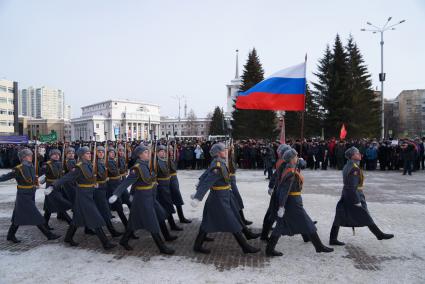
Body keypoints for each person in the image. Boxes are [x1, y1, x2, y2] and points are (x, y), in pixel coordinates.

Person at [191, 143, 260, 254]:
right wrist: (198, 197)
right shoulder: (218, 165)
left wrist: (199, 182)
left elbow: (205, 173)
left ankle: (197, 245)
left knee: (215, 219)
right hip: (219, 198)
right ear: (218, 153)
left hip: (225, 195)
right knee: (231, 221)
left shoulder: (219, 162)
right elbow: (208, 182)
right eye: (223, 150)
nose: (226, 152)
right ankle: (245, 246)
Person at [109, 145, 175, 255]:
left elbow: (145, 180)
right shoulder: (137, 168)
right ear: (139, 155)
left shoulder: (145, 165)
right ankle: (162, 247)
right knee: (152, 222)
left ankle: (124, 240)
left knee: (135, 221)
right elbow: (127, 182)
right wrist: (116, 194)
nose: (148, 154)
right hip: (142, 199)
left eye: (148, 152)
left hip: (149, 197)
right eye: (145, 152)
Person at [266, 149, 333, 256]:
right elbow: (284, 191)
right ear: (292, 159)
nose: (297, 158)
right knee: (307, 223)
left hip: (292, 202)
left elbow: (302, 166)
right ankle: (319, 246)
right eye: (296, 157)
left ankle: (269, 249)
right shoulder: (291, 173)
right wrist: (281, 206)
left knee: (281, 225)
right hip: (293, 203)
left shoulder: (291, 169)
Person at [52, 146, 116, 250]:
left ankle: (68, 237)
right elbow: (66, 177)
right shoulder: (79, 167)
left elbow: (90, 177)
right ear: (82, 155)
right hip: (83, 195)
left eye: (89, 153)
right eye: (87, 153)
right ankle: (105, 243)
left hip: (88, 193)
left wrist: (93, 183)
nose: (90, 155)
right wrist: (53, 185)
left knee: (77, 218)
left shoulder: (89, 164)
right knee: (95, 217)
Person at [329, 147, 394, 246]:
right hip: (354, 194)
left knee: (340, 215)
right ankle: (379, 234)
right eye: (357, 153)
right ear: (352, 156)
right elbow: (352, 186)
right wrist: (357, 200)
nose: (359, 154)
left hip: (347, 194)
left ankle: (333, 239)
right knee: (364, 214)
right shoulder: (354, 168)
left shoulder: (349, 165)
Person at [1, 148, 60, 243]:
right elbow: (6, 176)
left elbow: (35, 177)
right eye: (30, 155)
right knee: (36, 215)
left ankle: (10, 235)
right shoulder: (19, 168)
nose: (32, 157)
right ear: (24, 157)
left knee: (18, 216)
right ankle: (49, 235)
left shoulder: (31, 166)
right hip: (23, 196)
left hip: (30, 194)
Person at [94, 146, 122, 237]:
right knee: (105, 210)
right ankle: (112, 231)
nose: (101, 153)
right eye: (99, 152)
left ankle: (87, 228)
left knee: (100, 210)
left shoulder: (102, 162)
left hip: (104, 188)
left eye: (102, 152)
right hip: (99, 190)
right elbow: (99, 175)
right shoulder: (96, 163)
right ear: (96, 154)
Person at [42, 149, 73, 229]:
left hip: (59, 186)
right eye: (54, 154)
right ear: (50, 155)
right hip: (51, 187)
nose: (56, 156)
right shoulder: (47, 164)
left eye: (58, 155)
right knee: (60, 204)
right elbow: (42, 175)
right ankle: (71, 223)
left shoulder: (60, 164)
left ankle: (45, 224)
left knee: (49, 206)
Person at [156, 145, 182, 231]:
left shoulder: (164, 161)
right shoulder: (156, 163)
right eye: (161, 151)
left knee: (168, 207)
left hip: (166, 187)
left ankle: (172, 225)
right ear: (157, 153)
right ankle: (168, 228)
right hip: (161, 188)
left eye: (164, 151)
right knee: (165, 208)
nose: (164, 153)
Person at [168, 144, 191, 224]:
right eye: (169, 150)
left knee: (178, 199)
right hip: (167, 182)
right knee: (167, 203)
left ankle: (181, 217)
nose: (171, 152)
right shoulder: (163, 161)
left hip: (174, 180)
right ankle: (172, 223)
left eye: (171, 150)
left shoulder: (171, 159)